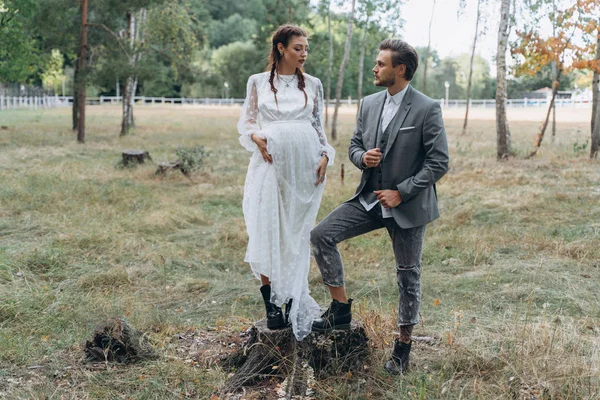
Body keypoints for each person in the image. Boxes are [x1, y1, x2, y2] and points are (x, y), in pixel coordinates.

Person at [310, 39, 449, 373]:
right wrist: (362, 157)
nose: (375, 68)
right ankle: (340, 309)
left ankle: (403, 346)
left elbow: (439, 161)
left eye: (381, 64)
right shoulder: (369, 103)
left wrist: (402, 192)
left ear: (399, 69)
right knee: (321, 235)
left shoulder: (426, 108)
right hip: (369, 199)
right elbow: (355, 144)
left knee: (407, 275)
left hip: (408, 206)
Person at [237, 25, 335, 341]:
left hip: (305, 169)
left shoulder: (314, 85)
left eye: (306, 48)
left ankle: (292, 296)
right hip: (271, 165)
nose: (304, 53)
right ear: (281, 48)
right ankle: (271, 305)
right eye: (297, 48)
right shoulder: (257, 83)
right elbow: (248, 121)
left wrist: (325, 155)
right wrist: (256, 138)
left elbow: (318, 127)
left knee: (295, 233)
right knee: (267, 229)